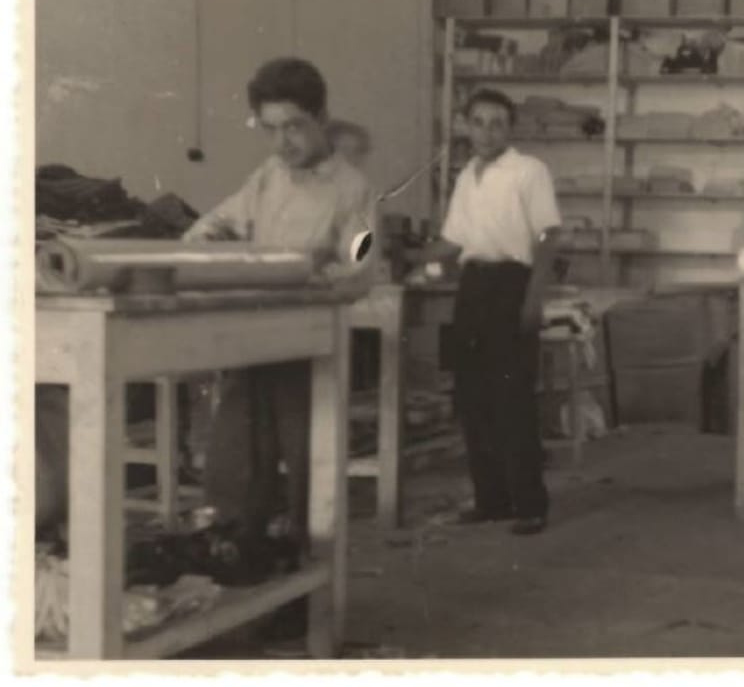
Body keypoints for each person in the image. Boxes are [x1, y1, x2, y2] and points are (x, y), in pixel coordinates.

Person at [184, 58, 378, 548]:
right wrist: (214, 248)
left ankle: (304, 571)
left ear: (321, 118)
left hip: (309, 348)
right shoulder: (268, 176)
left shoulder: (352, 189)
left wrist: (313, 273)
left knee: (306, 467)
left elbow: (362, 266)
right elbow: (209, 226)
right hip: (253, 339)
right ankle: (238, 557)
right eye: (270, 129)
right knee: (235, 459)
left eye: (293, 126)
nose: (282, 142)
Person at [411, 88, 561, 536]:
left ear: (510, 128)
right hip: (473, 287)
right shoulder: (465, 177)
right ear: (466, 126)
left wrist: (533, 298)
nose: (487, 132)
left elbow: (548, 237)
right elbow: (453, 242)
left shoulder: (529, 171)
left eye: (497, 123)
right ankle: (491, 500)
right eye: (478, 122)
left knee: (512, 399)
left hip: (512, 284)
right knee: (472, 397)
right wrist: (412, 262)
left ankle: (530, 505)